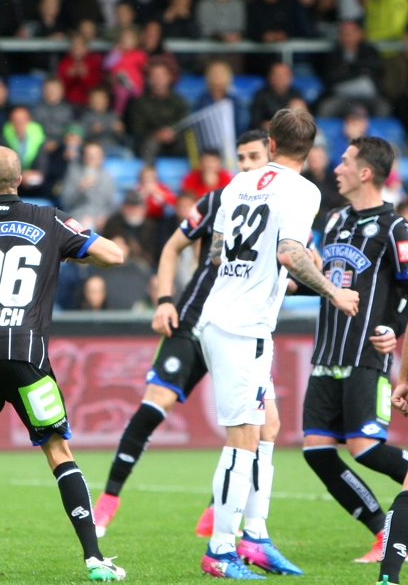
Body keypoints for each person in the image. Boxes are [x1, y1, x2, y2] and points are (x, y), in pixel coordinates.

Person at [0, 145, 125, 583]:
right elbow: (114, 255)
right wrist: (71, 249)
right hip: (27, 355)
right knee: (58, 451)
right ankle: (94, 557)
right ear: (20, 181)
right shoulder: (48, 219)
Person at [196, 109, 359, 578]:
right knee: (243, 437)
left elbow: (217, 251)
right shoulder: (304, 190)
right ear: (309, 153)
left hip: (227, 315)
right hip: (241, 327)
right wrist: (331, 289)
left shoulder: (236, 183)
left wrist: (269, 275)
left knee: (268, 426)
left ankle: (256, 539)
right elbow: (289, 252)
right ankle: (220, 551)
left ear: (269, 143)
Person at [94, 131, 271, 535]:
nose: (245, 166)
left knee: (261, 426)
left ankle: (216, 514)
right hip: (192, 321)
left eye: (253, 157)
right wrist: (165, 300)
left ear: (270, 158)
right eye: (240, 158)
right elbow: (172, 248)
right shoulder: (216, 201)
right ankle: (107, 501)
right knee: (154, 405)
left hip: (242, 329)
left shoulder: (283, 210)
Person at [301, 136, 408, 563]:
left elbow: (406, 289)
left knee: (365, 448)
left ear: (366, 172)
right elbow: (330, 281)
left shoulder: (396, 227)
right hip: (326, 354)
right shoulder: (333, 219)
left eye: (345, 162)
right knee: (317, 451)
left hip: (366, 357)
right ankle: (383, 531)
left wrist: (393, 328)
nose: (336, 168)